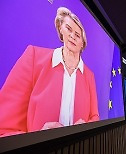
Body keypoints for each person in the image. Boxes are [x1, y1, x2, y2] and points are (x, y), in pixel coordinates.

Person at [0, 7, 99, 137]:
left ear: (82, 43)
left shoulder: (89, 75)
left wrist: (86, 129)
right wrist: (37, 141)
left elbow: (94, 117)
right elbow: (4, 127)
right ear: (60, 30)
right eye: (68, 29)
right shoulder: (34, 57)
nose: (72, 36)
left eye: (77, 35)